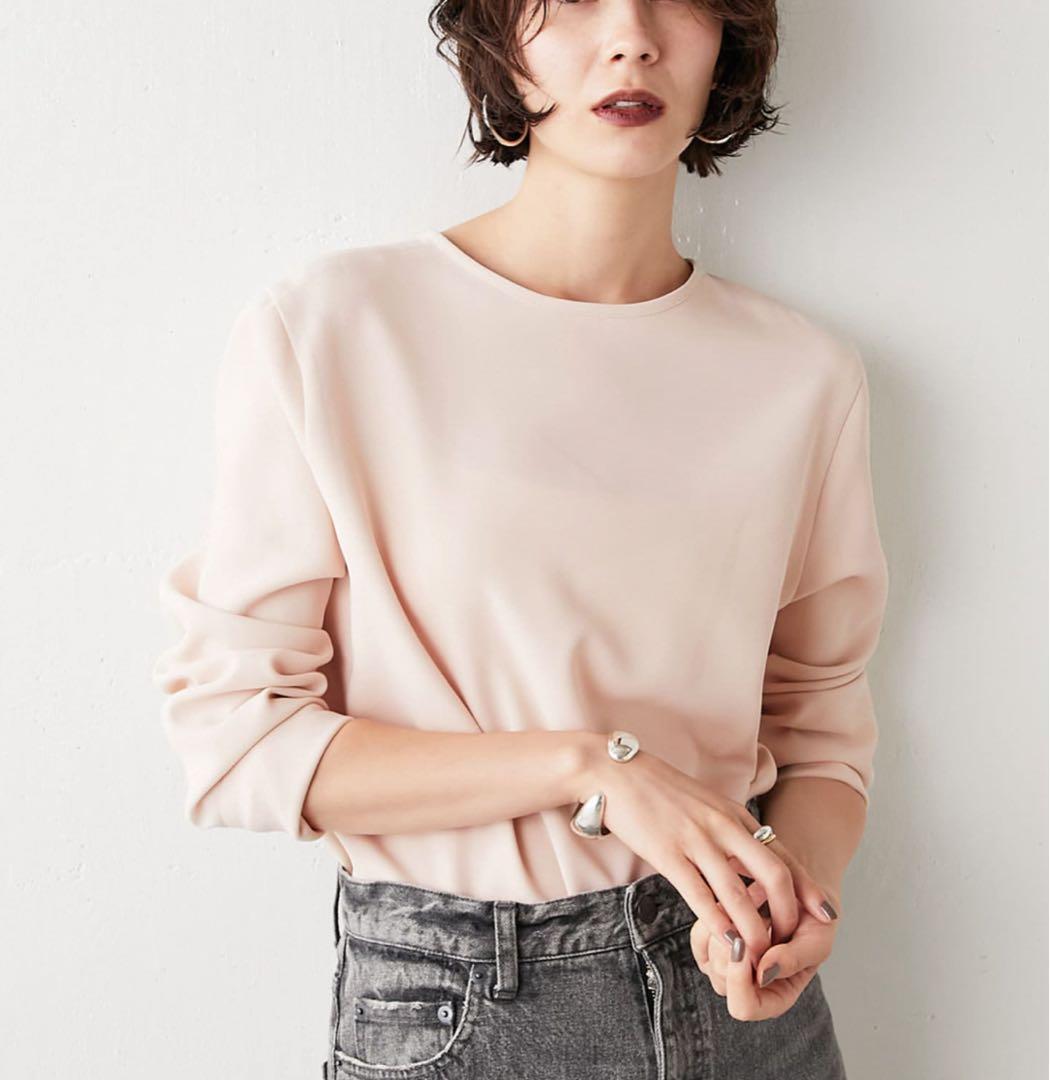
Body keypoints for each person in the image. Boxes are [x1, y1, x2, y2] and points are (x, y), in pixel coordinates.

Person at [152, 2, 890, 1077]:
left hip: (747, 1012)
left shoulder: (804, 377)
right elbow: (239, 741)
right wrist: (592, 768)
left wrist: (795, 901)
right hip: (465, 1004)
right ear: (501, 38)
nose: (632, 36)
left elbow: (820, 731)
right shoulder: (336, 329)